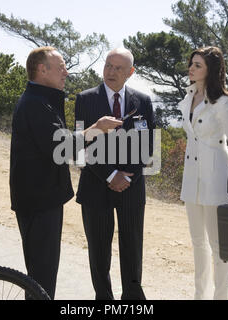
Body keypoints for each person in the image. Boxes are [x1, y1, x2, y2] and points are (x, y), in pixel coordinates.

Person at [9, 46, 122, 299]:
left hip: (44, 198)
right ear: (42, 69)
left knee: (43, 274)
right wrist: (96, 128)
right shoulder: (35, 104)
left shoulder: (43, 100)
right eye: (60, 67)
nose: (66, 72)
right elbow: (60, 147)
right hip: (38, 200)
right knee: (41, 276)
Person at [75, 48, 155, 300]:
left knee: (132, 248)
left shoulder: (143, 101)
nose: (111, 71)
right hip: (95, 186)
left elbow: (148, 146)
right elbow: (80, 146)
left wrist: (126, 176)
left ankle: (132, 297)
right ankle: (104, 298)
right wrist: (110, 176)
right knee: (99, 251)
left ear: (130, 73)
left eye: (118, 68)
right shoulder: (85, 99)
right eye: (108, 65)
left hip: (132, 187)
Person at [178, 47, 228, 300]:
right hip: (192, 178)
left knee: (219, 247)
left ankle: (220, 298)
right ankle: (199, 296)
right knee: (198, 243)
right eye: (192, 63)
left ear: (211, 70)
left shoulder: (224, 103)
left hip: (216, 179)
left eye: (198, 65)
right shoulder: (187, 97)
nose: (191, 68)